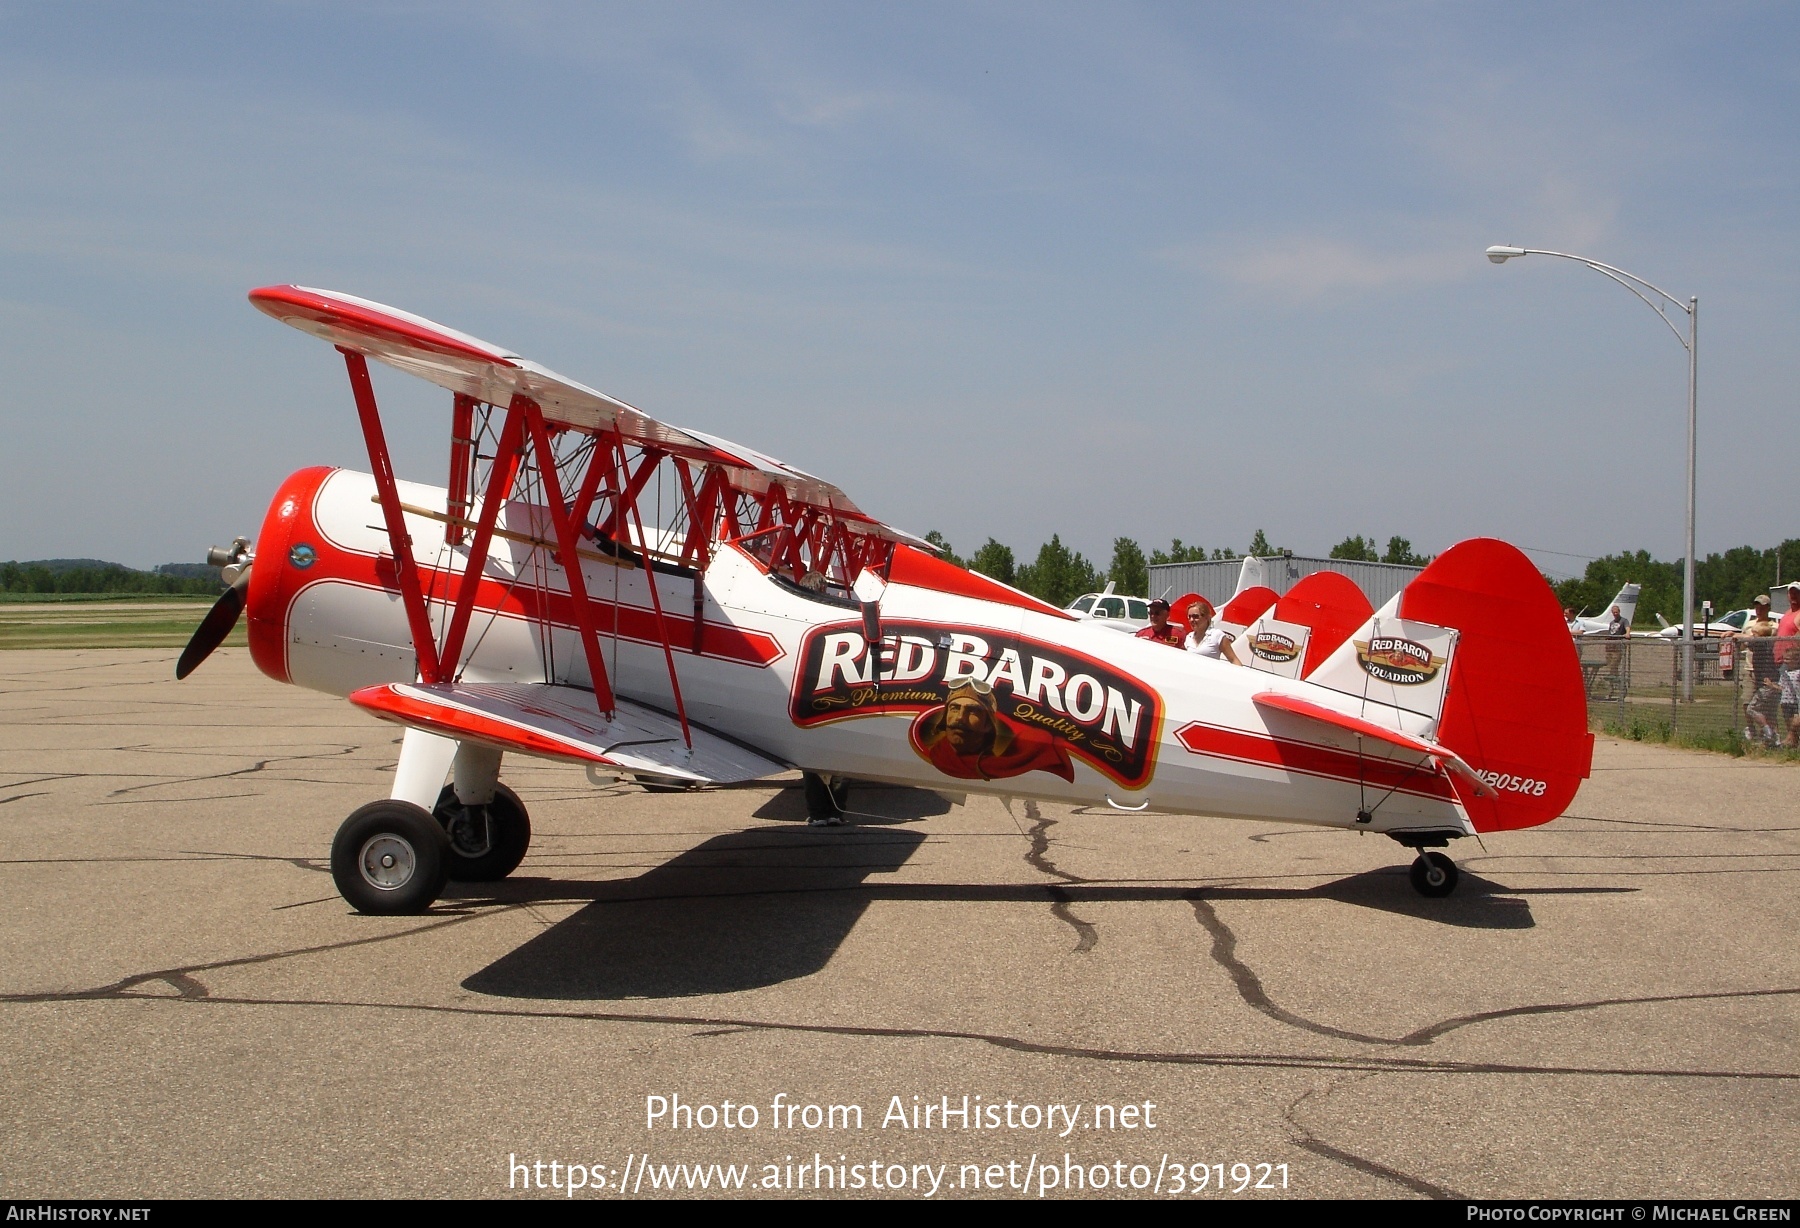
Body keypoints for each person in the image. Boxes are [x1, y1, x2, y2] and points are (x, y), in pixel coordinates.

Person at [909, 678, 1075, 782]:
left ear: (988, 724)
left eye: (972, 711)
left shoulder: (1006, 765)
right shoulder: (938, 754)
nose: (960, 718)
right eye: (954, 708)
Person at [1183, 598, 1242, 664]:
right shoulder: (1189, 638)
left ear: (1207, 618)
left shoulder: (1217, 635)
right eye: (1189, 617)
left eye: (1195, 616)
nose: (1191, 620)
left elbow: (1233, 659)